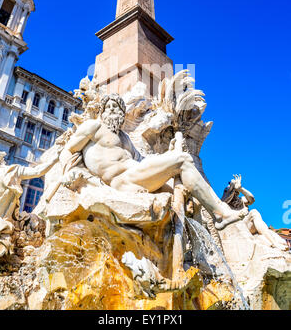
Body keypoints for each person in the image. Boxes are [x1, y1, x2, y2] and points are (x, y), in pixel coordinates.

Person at [59, 93, 247, 230]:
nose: (111, 110)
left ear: (122, 113)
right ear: (101, 111)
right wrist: (69, 172)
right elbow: (68, 149)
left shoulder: (124, 137)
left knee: (185, 197)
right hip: (122, 180)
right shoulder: (94, 126)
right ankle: (220, 213)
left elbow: (143, 161)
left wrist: (169, 153)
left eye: (116, 107)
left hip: (136, 175)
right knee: (183, 160)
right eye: (108, 107)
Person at [0, 150, 60, 262]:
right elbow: (38, 171)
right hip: (0, 230)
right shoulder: (11, 171)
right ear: (1, 162)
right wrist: (56, 158)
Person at [222, 174, 288, 250]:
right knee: (254, 213)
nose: (235, 194)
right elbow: (224, 199)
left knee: (254, 213)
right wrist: (232, 186)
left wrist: (241, 189)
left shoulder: (241, 200)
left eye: (236, 192)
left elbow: (252, 199)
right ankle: (274, 243)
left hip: (248, 226)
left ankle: (273, 242)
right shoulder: (225, 201)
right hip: (238, 228)